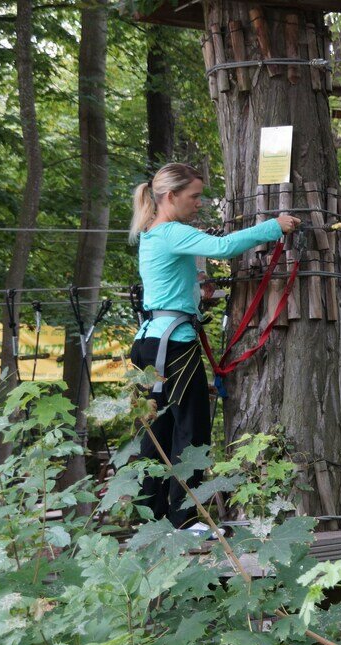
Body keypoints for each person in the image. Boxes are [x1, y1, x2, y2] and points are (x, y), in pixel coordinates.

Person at [128, 163, 300, 530]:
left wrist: (198, 284)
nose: (199, 203)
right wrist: (274, 226)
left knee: (157, 432)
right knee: (191, 430)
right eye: (194, 196)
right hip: (174, 344)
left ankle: (150, 517)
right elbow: (223, 248)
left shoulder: (152, 234)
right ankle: (186, 520)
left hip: (150, 342)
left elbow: (172, 281)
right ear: (170, 196)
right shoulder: (172, 231)